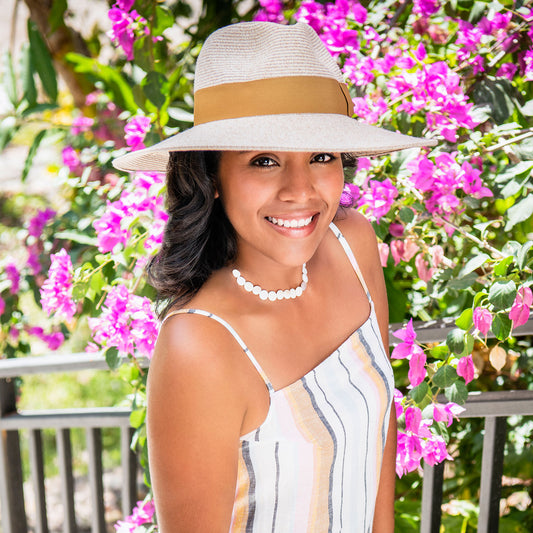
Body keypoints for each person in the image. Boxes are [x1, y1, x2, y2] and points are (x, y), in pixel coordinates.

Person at [114, 21, 436, 533]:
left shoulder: (351, 243)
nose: (300, 190)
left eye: (321, 156)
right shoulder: (199, 345)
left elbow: (380, 426)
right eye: (264, 160)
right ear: (211, 176)